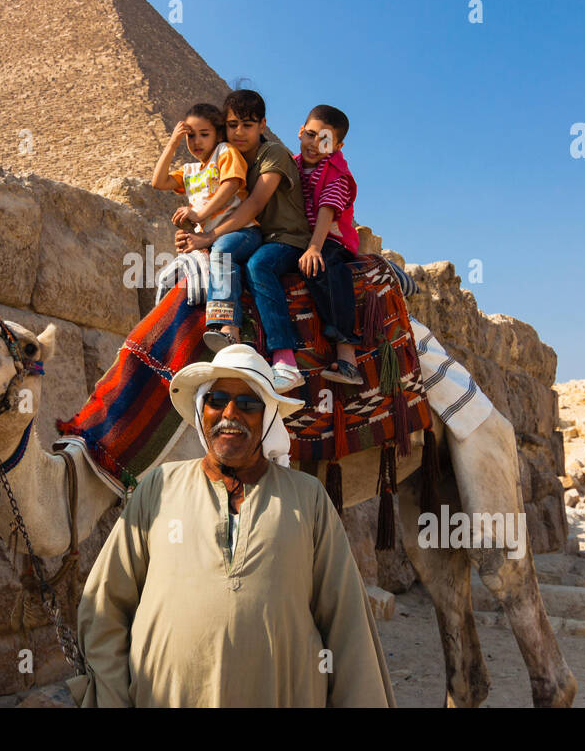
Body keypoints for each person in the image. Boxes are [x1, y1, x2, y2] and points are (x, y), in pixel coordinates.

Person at [66, 344, 396, 707]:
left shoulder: (307, 499)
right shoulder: (158, 488)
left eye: (248, 404)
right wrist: (111, 698)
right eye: (217, 400)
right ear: (201, 410)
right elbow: (106, 607)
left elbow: (346, 624)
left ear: (267, 417)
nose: (229, 413)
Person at [175, 90, 312, 393]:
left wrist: (209, 237)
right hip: (253, 237)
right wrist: (193, 234)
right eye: (232, 125)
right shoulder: (227, 162)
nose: (239, 132)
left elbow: (253, 205)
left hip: (285, 238)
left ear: (263, 125)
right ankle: (228, 334)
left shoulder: (272, 154)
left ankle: (285, 360)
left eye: (247, 125)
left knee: (258, 266)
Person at [151, 103, 261, 350]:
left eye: (204, 134)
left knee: (221, 253)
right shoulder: (189, 170)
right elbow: (158, 182)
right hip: (206, 238)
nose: (196, 141)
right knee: (170, 277)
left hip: (240, 232)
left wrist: (200, 214)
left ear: (218, 135)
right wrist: (172, 143)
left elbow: (231, 183)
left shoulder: (225, 151)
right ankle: (167, 342)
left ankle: (228, 328)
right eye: (190, 136)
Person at [297, 105, 363, 385]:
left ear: (338, 145)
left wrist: (314, 248)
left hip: (331, 239)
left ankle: (347, 353)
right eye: (310, 135)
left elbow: (326, 210)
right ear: (301, 131)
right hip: (299, 236)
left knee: (325, 269)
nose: (314, 144)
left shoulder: (337, 174)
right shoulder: (291, 164)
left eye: (324, 140)